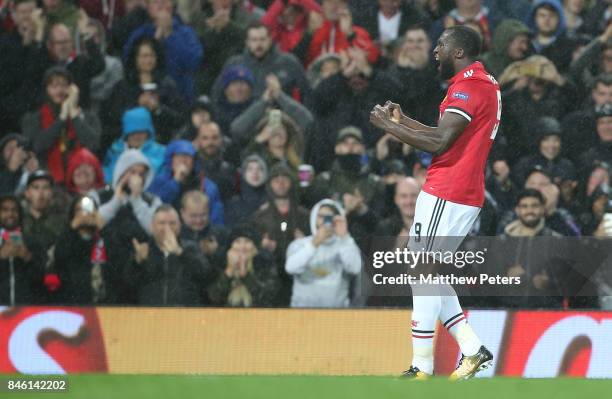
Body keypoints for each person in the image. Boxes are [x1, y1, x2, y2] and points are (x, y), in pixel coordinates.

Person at [370, 26, 498, 379]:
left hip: (450, 189)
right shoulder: (479, 84)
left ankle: (422, 366)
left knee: (421, 270)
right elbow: (446, 136)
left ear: (459, 51)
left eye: (441, 44)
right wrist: (404, 121)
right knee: (427, 271)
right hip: (456, 189)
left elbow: (440, 143)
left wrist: (389, 128)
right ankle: (473, 350)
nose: (435, 50)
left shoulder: (470, 87)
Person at [21, 67, 101, 184]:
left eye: (64, 86)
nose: (59, 91)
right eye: (54, 86)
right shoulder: (33, 118)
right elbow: (37, 146)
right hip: (47, 181)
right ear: (46, 90)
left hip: (80, 180)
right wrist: (62, 118)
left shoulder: (87, 117)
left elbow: (93, 144)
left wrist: (73, 114)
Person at [104, 35, 185, 148]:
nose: (148, 60)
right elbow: (113, 118)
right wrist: (137, 106)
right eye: (144, 56)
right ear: (135, 58)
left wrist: (158, 109)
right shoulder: (123, 86)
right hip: (129, 145)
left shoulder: (167, 84)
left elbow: (179, 118)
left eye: (151, 56)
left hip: (161, 144)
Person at [125, 204, 213, 306]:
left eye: (172, 223)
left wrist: (180, 253)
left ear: (180, 226)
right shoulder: (144, 250)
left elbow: (205, 274)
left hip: (184, 315)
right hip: (150, 315)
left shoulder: (191, 248)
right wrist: (137, 261)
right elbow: (128, 285)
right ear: (152, 226)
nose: (167, 228)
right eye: (162, 223)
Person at [285, 199, 361, 307]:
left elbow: (355, 268)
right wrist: (315, 243)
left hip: (336, 314)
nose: (326, 221)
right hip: (302, 313)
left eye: (330, 217)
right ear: (314, 218)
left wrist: (345, 237)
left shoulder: (346, 244)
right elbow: (290, 268)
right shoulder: (300, 244)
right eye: (321, 216)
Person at [252, 163, 310, 303]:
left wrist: (306, 243)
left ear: (292, 182)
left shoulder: (305, 215)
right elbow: (252, 244)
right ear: (270, 184)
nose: (281, 183)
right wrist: (261, 245)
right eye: (276, 180)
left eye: (285, 179)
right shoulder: (260, 216)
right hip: (270, 277)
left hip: (300, 277)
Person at [123, 0, 203, 100]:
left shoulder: (186, 33)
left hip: (180, 97)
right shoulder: (139, 34)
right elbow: (129, 63)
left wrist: (169, 35)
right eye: (156, 2)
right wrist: (156, 39)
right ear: (148, 7)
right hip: (143, 95)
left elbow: (193, 62)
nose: (161, 5)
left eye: (165, 1)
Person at [52, 194, 123, 304]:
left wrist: (102, 226)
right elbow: (59, 256)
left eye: (87, 209)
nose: (84, 214)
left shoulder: (106, 236)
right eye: (79, 210)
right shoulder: (67, 237)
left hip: (105, 305)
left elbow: (118, 258)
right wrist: (73, 226)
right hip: (74, 303)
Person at [212, 22, 308, 102]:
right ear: (247, 42)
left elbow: (307, 93)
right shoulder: (234, 64)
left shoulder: (289, 62)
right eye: (254, 40)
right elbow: (217, 94)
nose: (259, 44)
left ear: (270, 40)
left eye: (262, 39)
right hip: (242, 119)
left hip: (279, 119)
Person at [148, 139, 224, 225]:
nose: (183, 161)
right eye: (179, 156)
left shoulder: (208, 186)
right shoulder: (159, 182)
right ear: (171, 160)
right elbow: (155, 208)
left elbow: (216, 218)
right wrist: (175, 182)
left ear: (194, 162)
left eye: (188, 157)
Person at [208, 223, 280, 307]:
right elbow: (214, 297)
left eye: (247, 241)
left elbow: (267, 297)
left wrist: (246, 276)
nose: (242, 247)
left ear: (255, 246)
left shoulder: (264, 265)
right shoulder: (220, 264)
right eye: (237, 241)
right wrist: (229, 272)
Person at [0, 194, 45, 305]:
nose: (10, 214)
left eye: (14, 210)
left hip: (25, 310)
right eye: (5, 210)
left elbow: (40, 277)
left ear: (20, 214)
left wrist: (27, 257)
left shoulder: (33, 242)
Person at [103, 106, 166, 183]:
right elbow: (106, 173)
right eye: (133, 133)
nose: (137, 136)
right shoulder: (115, 150)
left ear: (148, 133)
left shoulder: (161, 152)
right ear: (126, 134)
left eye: (141, 132)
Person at [179, 190, 227, 270]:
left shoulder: (221, 234)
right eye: (193, 216)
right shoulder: (176, 235)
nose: (198, 220)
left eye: (203, 215)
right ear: (182, 213)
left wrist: (216, 252)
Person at [21, 170, 67, 254]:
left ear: (51, 193)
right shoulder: (18, 218)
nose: (40, 193)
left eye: (45, 188)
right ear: (27, 193)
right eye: (36, 187)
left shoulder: (61, 220)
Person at [525, 0, 575, 74]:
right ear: (534, 18)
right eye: (542, 15)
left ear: (559, 19)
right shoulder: (525, 43)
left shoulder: (566, 47)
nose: (547, 20)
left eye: (552, 15)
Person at [191, 121, 236, 202]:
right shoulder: (191, 169)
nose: (210, 142)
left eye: (214, 137)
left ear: (221, 139)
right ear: (198, 141)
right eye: (205, 138)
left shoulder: (231, 166)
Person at [225, 154, 268, 226]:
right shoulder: (234, 204)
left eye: (260, 169)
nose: (255, 173)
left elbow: (283, 225)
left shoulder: (273, 201)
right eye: (250, 169)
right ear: (244, 174)